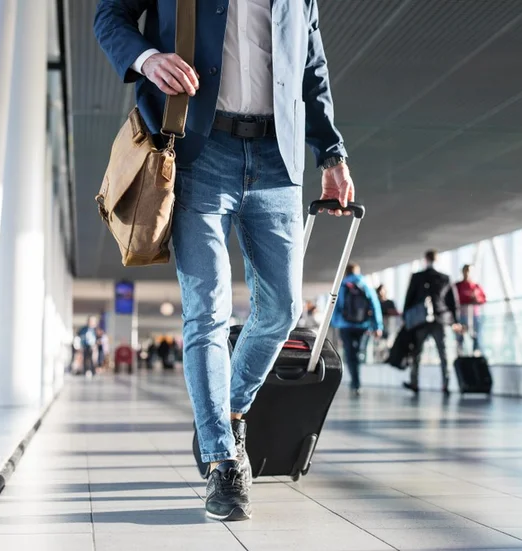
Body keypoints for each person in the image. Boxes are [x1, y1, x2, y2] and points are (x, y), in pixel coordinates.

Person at [95, 0, 354, 521]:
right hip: (198, 151)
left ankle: (231, 410)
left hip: (277, 160)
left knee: (280, 309)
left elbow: (312, 66)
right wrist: (146, 58)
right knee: (206, 311)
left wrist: (332, 152)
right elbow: (110, 15)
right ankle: (222, 462)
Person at [402, 250, 462, 395]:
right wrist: (455, 321)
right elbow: (453, 302)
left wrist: (406, 318)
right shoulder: (444, 278)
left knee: (417, 353)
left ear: (425, 260)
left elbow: (409, 299)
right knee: (444, 353)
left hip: (420, 321)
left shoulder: (417, 277)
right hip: (441, 319)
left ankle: (414, 382)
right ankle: (445, 384)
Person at [332, 263, 383, 397]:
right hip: (363, 325)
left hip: (345, 326)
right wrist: (378, 326)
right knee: (360, 352)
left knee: (350, 354)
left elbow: (335, 306)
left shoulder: (341, 285)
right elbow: (375, 305)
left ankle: (356, 382)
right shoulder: (365, 285)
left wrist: (336, 323)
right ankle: (357, 374)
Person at [454, 264, 486, 355]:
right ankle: (460, 355)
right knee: (460, 336)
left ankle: (475, 353)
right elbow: (453, 300)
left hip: (474, 315)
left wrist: (476, 299)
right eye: (466, 270)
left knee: (476, 335)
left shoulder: (476, 286)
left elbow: (483, 299)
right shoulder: (457, 286)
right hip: (461, 315)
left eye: (469, 271)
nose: (467, 273)